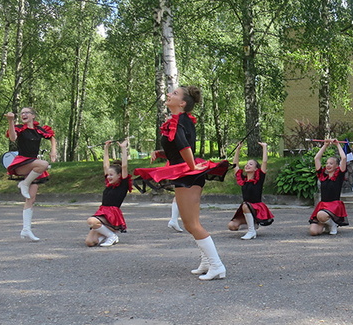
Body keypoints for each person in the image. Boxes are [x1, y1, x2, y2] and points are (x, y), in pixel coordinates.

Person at [134, 86, 230, 280]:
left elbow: (185, 146)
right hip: (186, 172)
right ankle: (207, 261)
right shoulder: (181, 120)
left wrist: (192, 166)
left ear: (183, 103)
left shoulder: (178, 121)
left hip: (187, 174)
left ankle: (217, 265)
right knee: (191, 223)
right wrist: (162, 153)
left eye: (174, 94)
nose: (169, 94)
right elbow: (179, 146)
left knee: (191, 223)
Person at [4, 107, 57, 242]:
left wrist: (53, 151)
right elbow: (12, 138)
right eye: (22, 113)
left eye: (27, 112)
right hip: (23, 163)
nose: (24, 114)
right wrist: (11, 121)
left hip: (33, 167)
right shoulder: (19, 128)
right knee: (44, 164)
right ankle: (24, 183)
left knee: (31, 199)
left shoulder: (39, 130)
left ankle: (26, 229)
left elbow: (52, 138)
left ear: (33, 116)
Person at [86, 139, 131, 247]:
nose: (108, 177)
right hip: (102, 212)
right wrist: (106, 148)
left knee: (91, 220)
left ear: (119, 175)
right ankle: (108, 235)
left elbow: (124, 166)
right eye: (108, 175)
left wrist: (123, 148)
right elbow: (106, 165)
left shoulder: (122, 184)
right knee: (90, 242)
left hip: (112, 215)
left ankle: (112, 236)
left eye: (111, 175)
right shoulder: (109, 184)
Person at [228, 141, 274, 240]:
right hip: (247, 208)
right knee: (232, 226)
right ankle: (253, 224)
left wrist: (264, 147)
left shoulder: (259, 178)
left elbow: (265, 162)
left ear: (256, 168)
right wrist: (238, 149)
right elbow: (235, 165)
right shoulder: (243, 180)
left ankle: (251, 231)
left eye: (251, 164)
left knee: (245, 205)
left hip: (257, 207)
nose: (247, 165)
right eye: (247, 164)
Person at [308, 139, 349, 236]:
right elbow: (316, 159)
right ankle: (327, 223)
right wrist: (325, 145)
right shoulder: (323, 176)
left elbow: (343, 158)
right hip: (323, 206)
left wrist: (337, 144)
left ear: (336, 166)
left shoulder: (339, 175)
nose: (328, 165)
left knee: (321, 215)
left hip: (334, 206)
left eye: (331, 163)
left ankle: (333, 224)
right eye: (327, 163)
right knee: (313, 232)